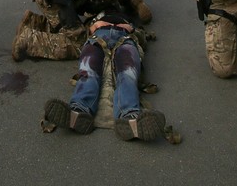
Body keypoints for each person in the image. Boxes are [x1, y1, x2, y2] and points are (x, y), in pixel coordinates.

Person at [43, 8, 179, 143]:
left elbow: (142, 35)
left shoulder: (128, 16)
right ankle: (79, 111)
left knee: (127, 74)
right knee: (89, 72)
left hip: (126, 38)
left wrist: (133, 29)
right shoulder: (94, 13)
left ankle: (129, 116)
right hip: (97, 37)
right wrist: (92, 26)